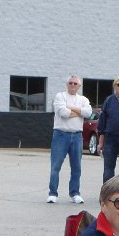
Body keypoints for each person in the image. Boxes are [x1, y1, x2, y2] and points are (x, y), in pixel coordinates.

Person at [46, 75, 92, 204]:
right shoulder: (60, 96)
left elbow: (88, 113)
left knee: (76, 167)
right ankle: (53, 193)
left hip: (77, 135)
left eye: (75, 83)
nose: (72, 85)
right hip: (61, 134)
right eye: (70, 83)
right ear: (67, 84)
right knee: (56, 166)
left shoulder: (83, 99)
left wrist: (71, 108)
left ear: (79, 86)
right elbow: (63, 113)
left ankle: (75, 193)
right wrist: (79, 112)